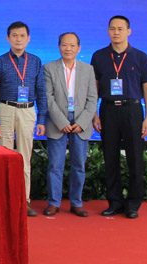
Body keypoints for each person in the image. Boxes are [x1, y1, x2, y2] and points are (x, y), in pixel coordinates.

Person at [92, 15, 147, 219]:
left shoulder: (140, 57)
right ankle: (115, 202)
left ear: (128, 31)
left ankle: (133, 204)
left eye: (120, 28)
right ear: (108, 31)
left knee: (135, 159)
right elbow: (95, 87)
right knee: (110, 158)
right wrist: (94, 114)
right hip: (108, 110)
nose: (116, 32)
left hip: (132, 111)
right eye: (112, 28)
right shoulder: (99, 56)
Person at [0, 21, 47, 217]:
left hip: (27, 111)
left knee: (24, 157)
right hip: (5, 109)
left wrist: (42, 119)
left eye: (22, 35)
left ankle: (24, 200)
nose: (18, 39)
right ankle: (2, 200)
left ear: (28, 38)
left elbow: (42, 92)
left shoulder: (36, 61)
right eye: (14, 35)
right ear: (8, 38)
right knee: (3, 157)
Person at [43, 32, 98, 217]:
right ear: (59, 47)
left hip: (81, 120)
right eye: (65, 45)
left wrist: (82, 122)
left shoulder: (88, 69)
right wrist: (61, 121)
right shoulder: (49, 68)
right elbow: (48, 98)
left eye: (72, 45)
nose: (68, 48)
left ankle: (76, 203)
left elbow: (93, 98)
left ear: (78, 48)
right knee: (55, 166)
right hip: (57, 121)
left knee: (79, 165)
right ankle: (53, 202)